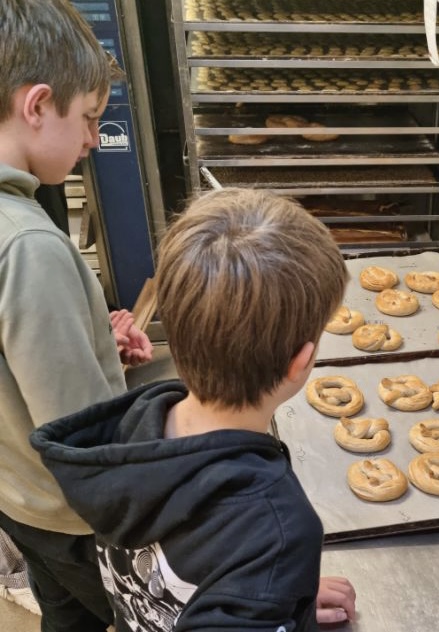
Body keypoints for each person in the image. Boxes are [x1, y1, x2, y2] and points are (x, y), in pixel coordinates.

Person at [31, 187, 357, 630]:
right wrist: (270, 574)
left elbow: (180, 572)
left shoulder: (128, 438)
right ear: (300, 363)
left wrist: (272, 595)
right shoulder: (276, 526)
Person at [0, 0, 152, 628]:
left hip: (17, 496)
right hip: (74, 518)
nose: (94, 138)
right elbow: (82, 438)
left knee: (68, 619)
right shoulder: (29, 244)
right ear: (36, 105)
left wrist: (90, 344)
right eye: (89, 117)